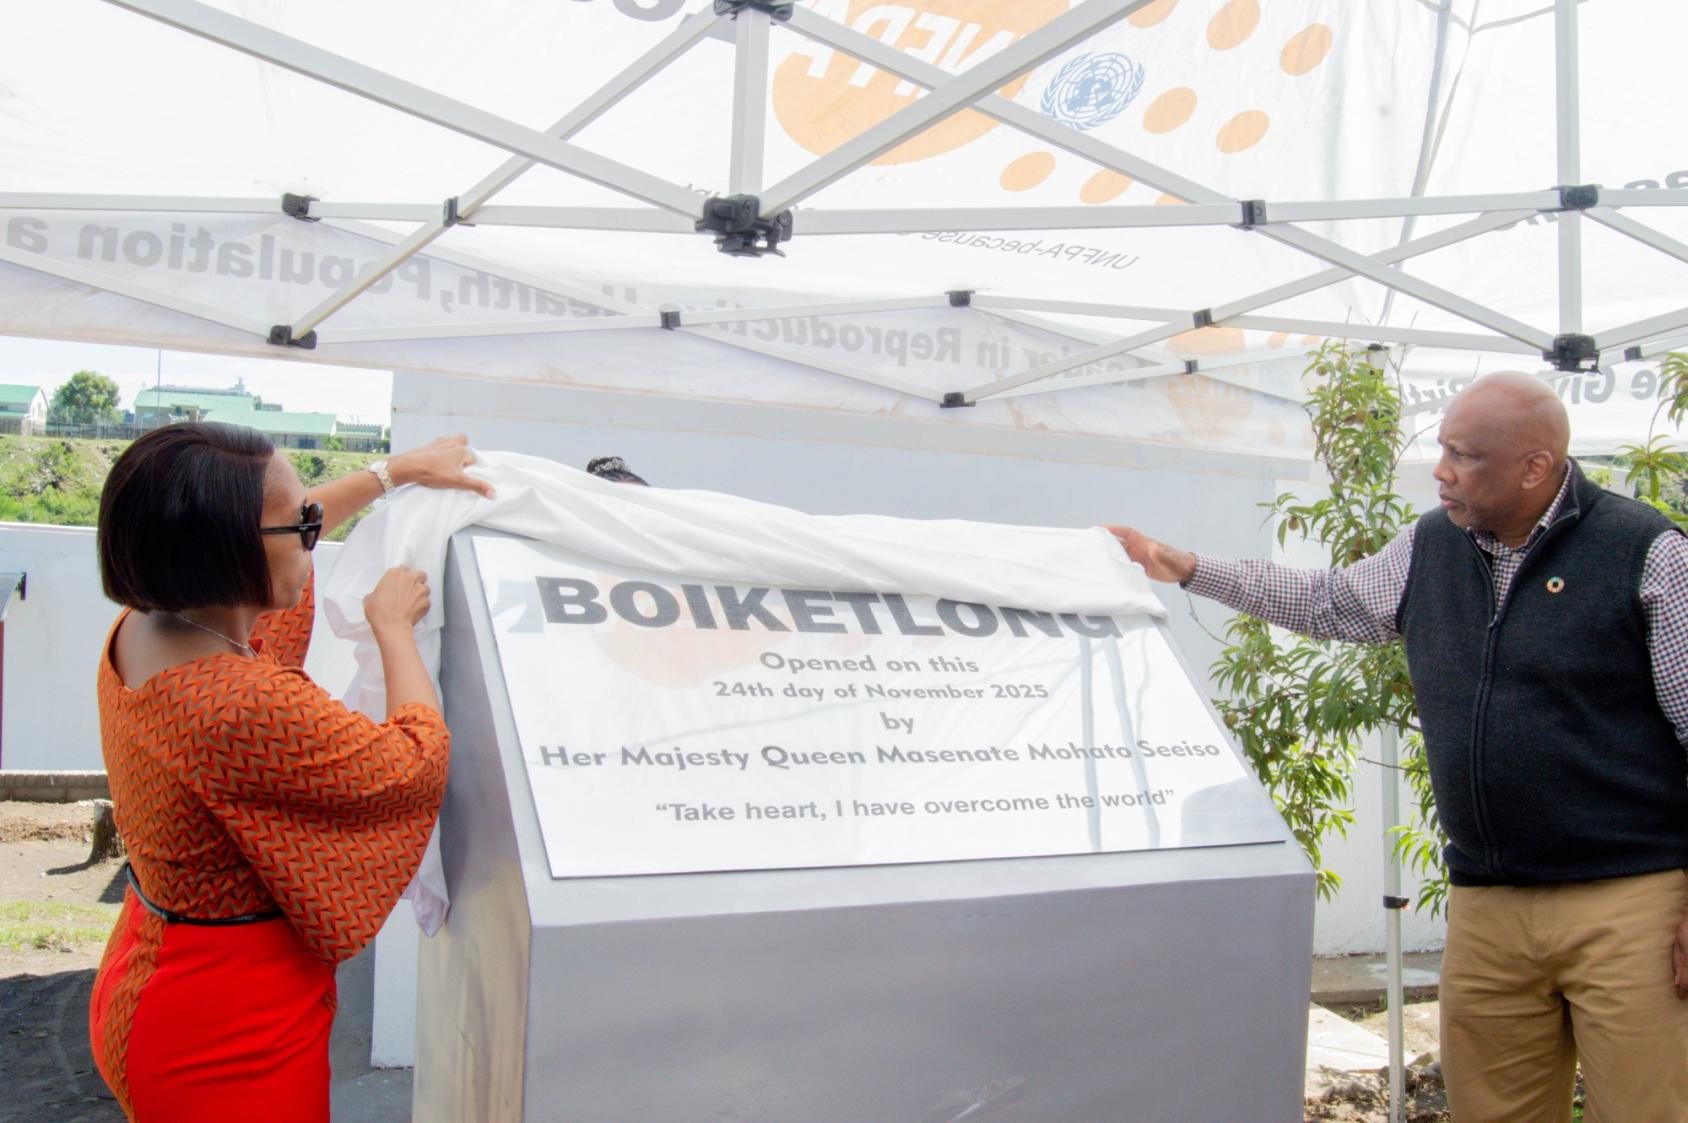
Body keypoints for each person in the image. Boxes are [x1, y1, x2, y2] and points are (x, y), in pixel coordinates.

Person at [1108, 370, 1688, 1122]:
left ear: (1536, 467)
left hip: (1628, 898)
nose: (1442, 470)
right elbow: (1327, 601)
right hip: (1487, 901)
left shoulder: (1647, 552)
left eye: (1465, 454)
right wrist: (1184, 566)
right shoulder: (1430, 545)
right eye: (1442, 448)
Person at [88, 423, 493, 1121]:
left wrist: (395, 473)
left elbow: (276, 528)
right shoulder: (239, 701)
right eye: (301, 524)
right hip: (228, 1028)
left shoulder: (147, 628)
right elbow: (410, 762)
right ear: (229, 549)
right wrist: (392, 628)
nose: (316, 532)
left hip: (152, 964)